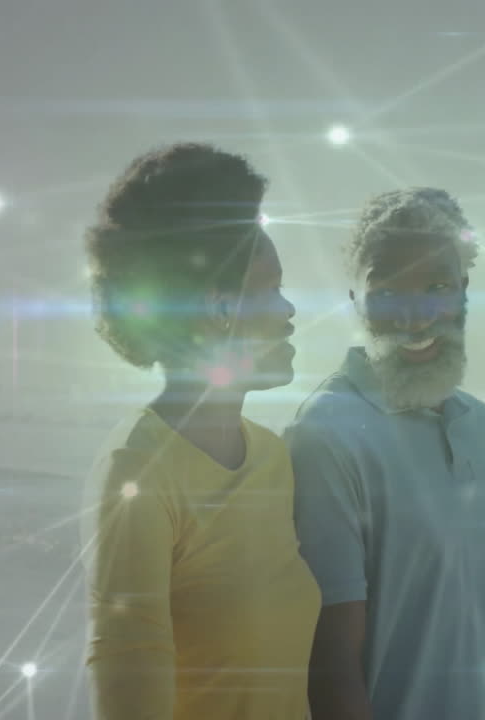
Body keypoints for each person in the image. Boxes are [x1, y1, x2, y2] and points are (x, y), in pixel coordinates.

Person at [285, 188, 485, 720]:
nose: (415, 317)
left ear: (464, 291)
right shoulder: (326, 437)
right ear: (355, 299)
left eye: (437, 287)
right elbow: (331, 664)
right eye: (387, 291)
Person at [79, 142, 320, 720]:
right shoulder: (138, 475)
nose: (289, 310)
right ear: (219, 307)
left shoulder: (272, 457)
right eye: (270, 289)